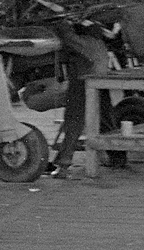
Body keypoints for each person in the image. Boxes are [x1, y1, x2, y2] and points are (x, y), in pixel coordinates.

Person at [48, 22, 113, 179]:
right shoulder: (99, 44)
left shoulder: (87, 43)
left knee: (73, 122)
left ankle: (64, 165)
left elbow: (69, 38)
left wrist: (62, 24)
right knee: (103, 122)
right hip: (98, 86)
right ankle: (112, 157)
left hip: (83, 85)